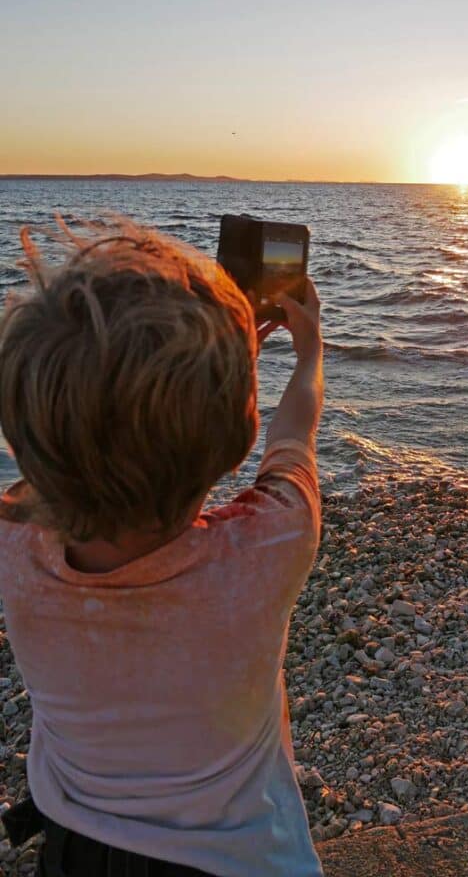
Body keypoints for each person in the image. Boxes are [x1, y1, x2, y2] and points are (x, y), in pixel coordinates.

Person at [0, 216, 324, 876]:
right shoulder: (271, 545)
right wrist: (308, 351)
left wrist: (202, 377)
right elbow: (296, 433)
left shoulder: (15, 551)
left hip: (76, 850)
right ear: (234, 435)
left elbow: (74, 439)